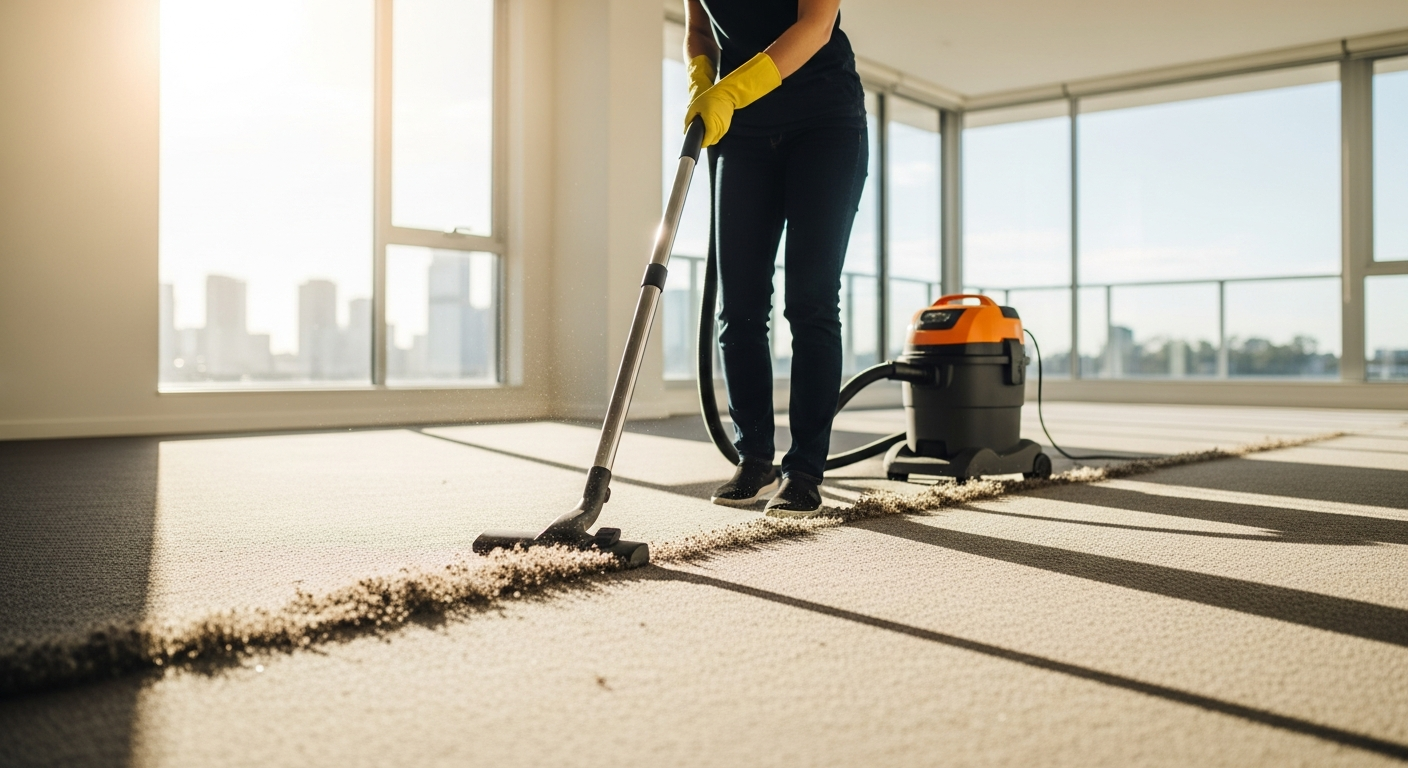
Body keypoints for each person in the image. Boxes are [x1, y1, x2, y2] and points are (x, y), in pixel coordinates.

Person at [683, 0, 868, 515]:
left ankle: (805, 469)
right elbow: (699, 27)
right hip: (742, 134)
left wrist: (732, 89)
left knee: (809, 301)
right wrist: (702, 82)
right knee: (738, 306)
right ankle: (754, 457)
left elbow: (816, 23)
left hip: (826, 123)